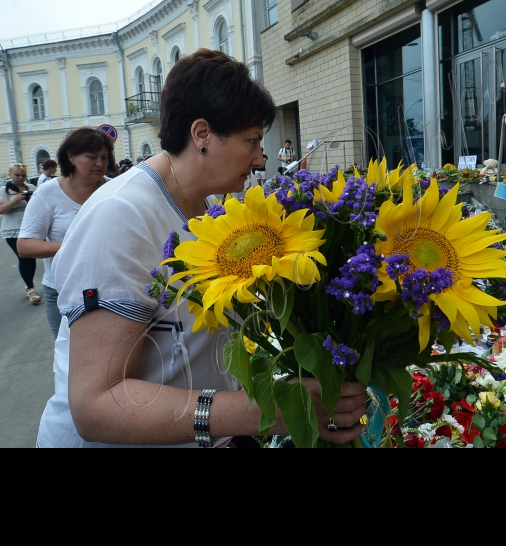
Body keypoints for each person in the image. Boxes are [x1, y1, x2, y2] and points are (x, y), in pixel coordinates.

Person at [37, 49, 366, 448]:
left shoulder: (207, 211)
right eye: (252, 141)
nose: (261, 159)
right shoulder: (121, 217)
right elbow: (97, 406)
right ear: (202, 134)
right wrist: (267, 410)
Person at [17, 128, 113, 340]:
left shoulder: (114, 188)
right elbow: (24, 246)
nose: (100, 163)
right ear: (71, 157)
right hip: (63, 290)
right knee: (70, 362)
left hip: (110, 287)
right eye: (91, 157)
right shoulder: (48, 193)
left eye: (104, 157)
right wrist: (73, 245)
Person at [0, 164, 40, 304]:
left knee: (30, 257)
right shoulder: (3, 191)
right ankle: (30, 288)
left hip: (30, 227)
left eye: (23, 175)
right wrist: (16, 199)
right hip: (12, 229)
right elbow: (1, 210)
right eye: (17, 175)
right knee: (23, 256)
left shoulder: (32, 188)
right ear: (10, 175)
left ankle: (28, 284)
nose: (20, 178)